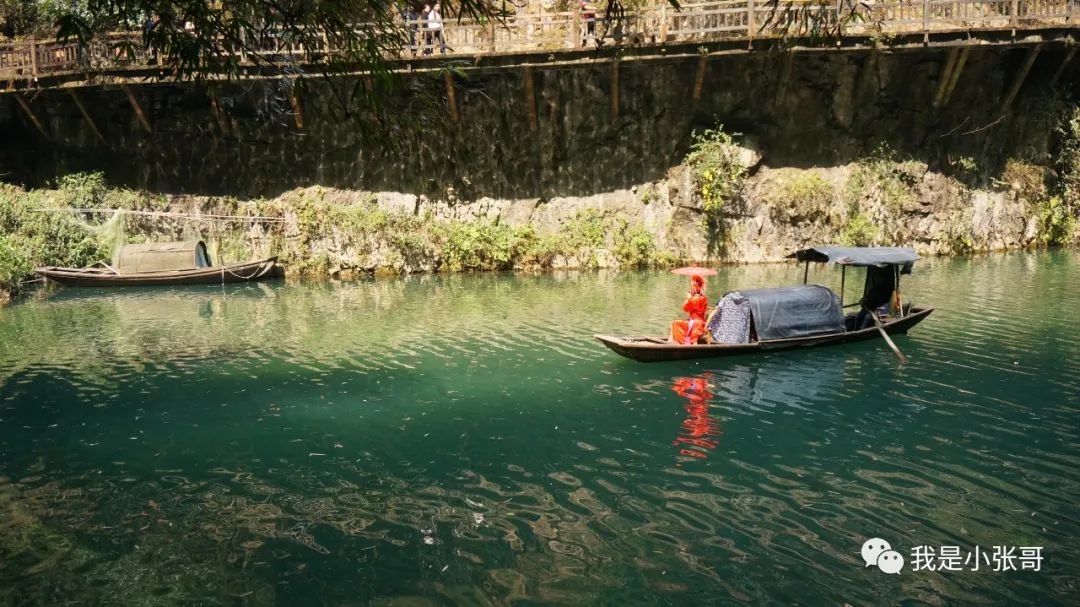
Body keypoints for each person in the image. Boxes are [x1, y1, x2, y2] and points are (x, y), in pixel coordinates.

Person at [670, 275, 709, 344]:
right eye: (692, 286)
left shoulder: (703, 298)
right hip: (691, 320)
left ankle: (691, 343)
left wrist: (690, 298)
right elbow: (685, 309)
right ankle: (676, 341)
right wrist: (689, 298)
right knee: (675, 323)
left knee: (694, 324)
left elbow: (700, 310)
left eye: (695, 286)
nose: (693, 288)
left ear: (699, 287)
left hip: (698, 322)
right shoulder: (692, 297)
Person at [855, 265, 896, 329]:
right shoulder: (874, 289)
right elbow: (868, 300)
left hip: (881, 310)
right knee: (858, 316)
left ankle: (860, 331)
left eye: (879, 277)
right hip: (870, 309)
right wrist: (864, 301)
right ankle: (854, 329)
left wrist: (876, 309)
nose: (878, 279)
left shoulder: (887, 291)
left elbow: (885, 304)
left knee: (867, 317)